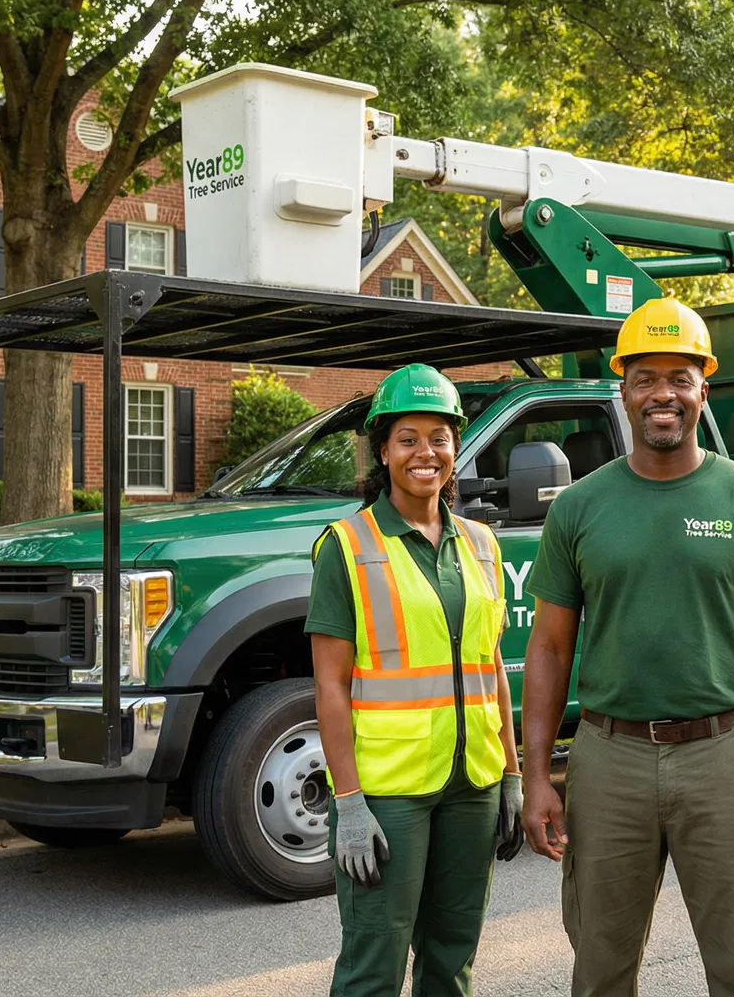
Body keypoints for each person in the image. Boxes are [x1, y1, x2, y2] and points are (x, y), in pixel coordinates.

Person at [519, 297, 734, 997]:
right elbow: (550, 651)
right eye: (646, 377)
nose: (663, 394)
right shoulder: (579, 507)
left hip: (723, 757)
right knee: (599, 967)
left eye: (679, 378)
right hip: (608, 760)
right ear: (622, 388)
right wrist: (535, 777)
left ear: (702, 388)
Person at [306, 363, 525, 997]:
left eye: (439, 437)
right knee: (375, 965)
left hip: (472, 786)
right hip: (388, 794)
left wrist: (510, 773)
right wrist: (347, 803)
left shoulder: (482, 543)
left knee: (453, 960)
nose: (425, 452)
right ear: (382, 450)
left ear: (456, 448)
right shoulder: (346, 546)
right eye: (407, 438)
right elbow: (329, 689)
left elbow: (491, 668)